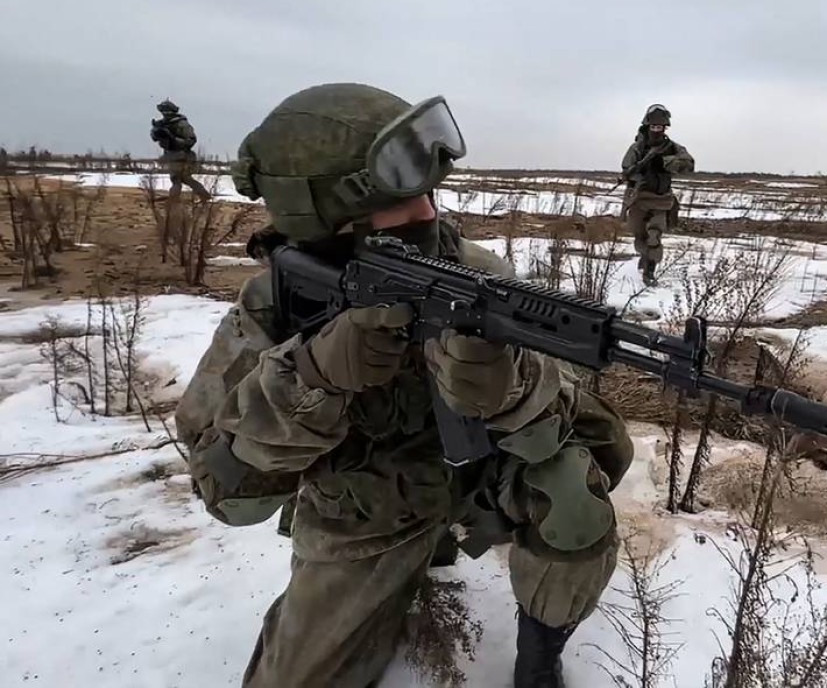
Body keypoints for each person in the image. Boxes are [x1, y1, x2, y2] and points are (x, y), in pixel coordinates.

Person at [174, 83, 632, 688]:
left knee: (573, 494)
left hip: (476, 481)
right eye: (399, 201)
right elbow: (228, 496)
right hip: (364, 510)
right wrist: (310, 376)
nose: (428, 213)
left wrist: (513, 387)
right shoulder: (271, 307)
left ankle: (540, 656)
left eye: (426, 192)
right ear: (328, 221)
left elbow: (592, 430)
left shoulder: (475, 274)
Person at [620, 104, 694, 285]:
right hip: (640, 198)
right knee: (640, 235)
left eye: (660, 127)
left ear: (664, 128)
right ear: (647, 127)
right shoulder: (637, 148)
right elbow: (626, 169)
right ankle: (645, 257)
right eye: (653, 127)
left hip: (662, 199)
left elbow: (689, 164)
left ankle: (650, 271)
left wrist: (666, 163)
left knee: (654, 235)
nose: (656, 130)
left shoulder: (672, 148)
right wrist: (639, 174)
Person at [150, 99, 212, 200]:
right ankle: (177, 198)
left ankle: (202, 196)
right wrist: (157, 132)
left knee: (183, 179)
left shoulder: (182, 124)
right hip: (171, 155)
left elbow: (191, 140)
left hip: (183, 156)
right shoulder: (163, 124)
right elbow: (155, 138)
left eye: (167, 111)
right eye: (163, 111)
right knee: (178, 179)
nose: (165, 114)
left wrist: (173, 138)